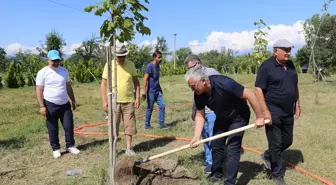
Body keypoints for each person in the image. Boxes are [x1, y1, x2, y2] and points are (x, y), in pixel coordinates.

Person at [185, 66, 265, 185]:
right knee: (216, 144)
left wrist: (259, 117)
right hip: (222, 117)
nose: (192, 89)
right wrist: (196, 137)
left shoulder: (224, 83)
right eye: (190, 87)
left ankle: (229, 182)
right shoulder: (199, 94)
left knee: (233, 148)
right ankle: (217, 174)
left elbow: (249, 94)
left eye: (193, 86)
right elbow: (200, 115)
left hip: (239, 116)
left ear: (203, 81)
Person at [254, 39, 301, 185]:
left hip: (288, 111)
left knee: (287, 140)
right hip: (272, 111)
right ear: (276, 51)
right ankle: (277, 175)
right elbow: (257, 89)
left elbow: (295, 85)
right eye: (285, 50)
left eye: (289, 49)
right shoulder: (266, 66)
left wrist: (298, 104)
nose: (288, 53)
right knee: (275, 144)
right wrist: (265, 111)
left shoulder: (291, 65)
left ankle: (267, 155)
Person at [35, 50, 80, 159]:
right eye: (53, 61)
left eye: (58, 60)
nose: (56, 63)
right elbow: (39, 90)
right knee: (52, 128)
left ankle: (70, 145)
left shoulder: (64, 71)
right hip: (50, 104)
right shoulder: (42, 72)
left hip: (65, 104)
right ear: (48, 60)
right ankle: (56, 149)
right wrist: (42, 106)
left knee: (69, 126)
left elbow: (68, 87)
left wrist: (73, 100)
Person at [100, 45, 141, 156]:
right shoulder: (109, 65)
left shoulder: (131, 65)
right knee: (114, 126)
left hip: (128, 100)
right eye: (119, 56)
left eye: (123, 56)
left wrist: (137, 97)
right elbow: (103, 84)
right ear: (115, 55)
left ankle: (128, 148)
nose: (121, 58)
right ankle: (113, 149)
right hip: (114, 101)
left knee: (129, 125)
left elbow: (137, 83)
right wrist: (104, 100)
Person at [184, 54, 220, 173]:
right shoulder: (193, 76)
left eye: (191, 67)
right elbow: (196, 95)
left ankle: (213, 163)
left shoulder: (211, 72)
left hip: (212, 111)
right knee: (204, 136)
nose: (190, 71)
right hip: (201, 111)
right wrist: (194, 111)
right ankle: (208, 159)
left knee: (212, 136)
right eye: (189, 69)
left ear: (198, 64)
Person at [142, 51, 169, 129]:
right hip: (151, 91)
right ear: (154, 57)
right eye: (158, 57)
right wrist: (144, 91)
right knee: (150, 108)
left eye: (161, 57)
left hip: (157, 91)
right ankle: (147, 125)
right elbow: (145, 79)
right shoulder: (149, 66)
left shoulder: (158, 66)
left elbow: (156, 79)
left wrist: (160, 88)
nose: (160, 59)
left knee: (162, 105)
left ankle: (161, 124)